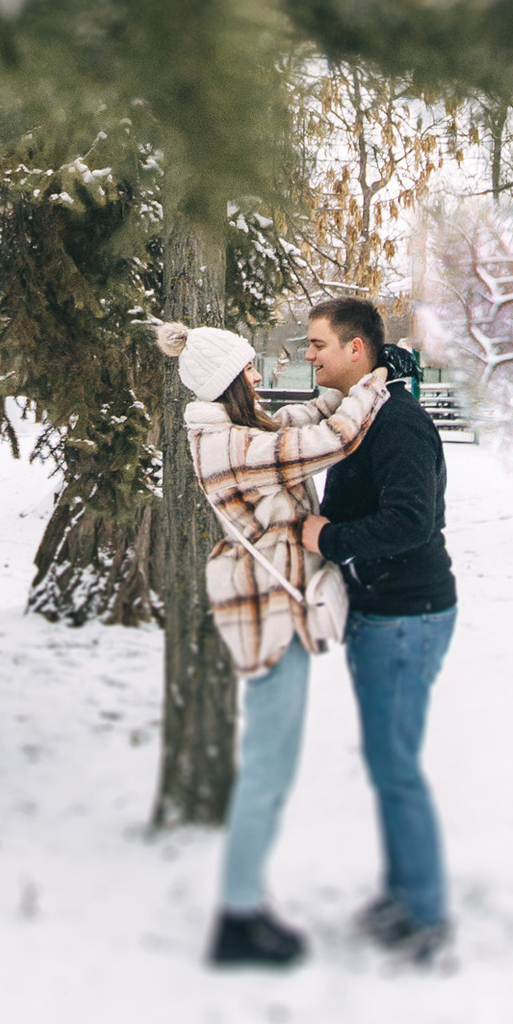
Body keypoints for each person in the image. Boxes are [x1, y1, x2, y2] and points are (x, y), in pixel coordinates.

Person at [154, 318, 386, 971]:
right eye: (249, 368)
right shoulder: (230, 446)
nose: (259, 375)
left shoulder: (240, 432)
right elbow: (330, 441)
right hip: (270, 616)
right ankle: (238, 916)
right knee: (267, 769)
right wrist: (373, 387)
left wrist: (341, 390)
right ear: (227, 381)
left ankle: (245, 902)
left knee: (271, 764)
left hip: (274, 608)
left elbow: (300, 420)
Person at [300, 293, 458, 966]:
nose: (309, 355)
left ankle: (423, 913)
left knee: (395, 766)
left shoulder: (397, 423)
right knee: (388, 761)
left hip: (406, 613)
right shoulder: (361, 413)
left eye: (318, 344)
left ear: (356, 348)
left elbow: (411, 521)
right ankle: (403, 895)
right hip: (381, 611)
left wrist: (328, 537)